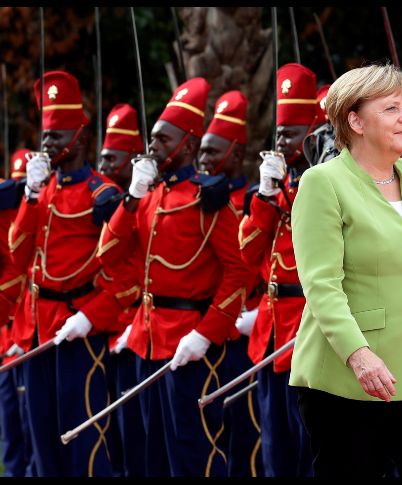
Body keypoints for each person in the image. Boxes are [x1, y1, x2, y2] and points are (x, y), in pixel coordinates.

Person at [289, 63, 402, 478]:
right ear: (354, 120)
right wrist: (359, 356)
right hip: (351, 380)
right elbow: (321, 286)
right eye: (390, 108)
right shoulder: (322, 183)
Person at [97, 77, 252, 477]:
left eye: (163, 140)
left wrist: (207, 332)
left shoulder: (206, 199)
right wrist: (130, 198)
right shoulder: (147, 196)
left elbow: (239, 271)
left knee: (194, 453)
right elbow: (109, 254)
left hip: (191, 341)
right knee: (153, 454)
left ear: (187, 141)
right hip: (148, 339)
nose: (152, 148)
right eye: (152, 138)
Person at [10, 70, 125, 477]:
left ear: (79, 135)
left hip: (78, 328)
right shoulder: (44, 189)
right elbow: (18, 250)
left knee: (82, 439)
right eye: (45, 136)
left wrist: (91, 315)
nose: (47, 144)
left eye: (58, 136)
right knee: (41, 436)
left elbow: (124, 273)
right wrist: (29, 196)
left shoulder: (103, 194)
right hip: (39, 327)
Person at [237, 63, 317, 478]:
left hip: (308, 327)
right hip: (271, 329)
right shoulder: (275, 190)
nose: (282, 142)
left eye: (291, 133)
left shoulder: (326, 184)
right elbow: (249, 254)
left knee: (308, 445)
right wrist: (265, 195)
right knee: (274, 447)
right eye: (279, 134)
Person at [198, 90, 264, 478]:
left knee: (248, 430)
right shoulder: (200, 197)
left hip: (249, 324)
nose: (204, 160)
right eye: (202, 152)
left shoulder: (253, 195)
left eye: (213, 152)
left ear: (236, 156)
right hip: (212, 325)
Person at [96, 103, 147, 477]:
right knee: (119, 429)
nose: (106, 164)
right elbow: (107, 255)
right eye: (103, 156)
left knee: (142, 432)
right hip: (117, 322)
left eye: (113, 157)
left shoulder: (133, 195)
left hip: (140, 322)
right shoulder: (120, 197)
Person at [0, 148, 34, 477]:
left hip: (35, 334)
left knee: (35, 425)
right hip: (7, 336)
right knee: (11, 426)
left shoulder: (38, 213)